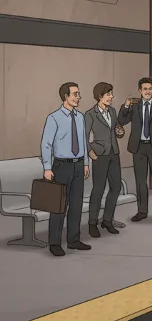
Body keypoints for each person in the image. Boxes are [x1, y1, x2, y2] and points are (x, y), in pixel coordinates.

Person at [40, 82, 91, 256]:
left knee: (76, 204)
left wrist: (85, 164)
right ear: (65, 97)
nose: (78, 97)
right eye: (75, 94)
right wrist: (47, 168)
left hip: (78, 165)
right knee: (59, 206)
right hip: (61, 166)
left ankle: (73, 240)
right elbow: (46, 144)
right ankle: (54, 243)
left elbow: (83, 141)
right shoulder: (53, 118)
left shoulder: (80, 117)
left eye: (79, 94)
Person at [117, 77, 152, 222]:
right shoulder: (134, 106)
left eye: (150, 89)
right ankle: (142, 211)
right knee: (141, 181)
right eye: (145, 89)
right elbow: (121, 121)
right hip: (139, 147)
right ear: (140, 91)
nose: (148, 91)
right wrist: (126, 106)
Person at [84, 82, 126, 237]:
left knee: (115, 187)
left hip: (114, 153)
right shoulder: (90, 114)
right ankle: (92, 223)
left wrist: (119, 132)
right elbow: (84, 136)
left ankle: (107, 220)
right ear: (100, 96)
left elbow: (115, 130)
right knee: (98, 190)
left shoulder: (113, 112)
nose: (111, 97)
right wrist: (90, 152)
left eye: (111, 94)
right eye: (108, 94)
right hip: (100, 155)